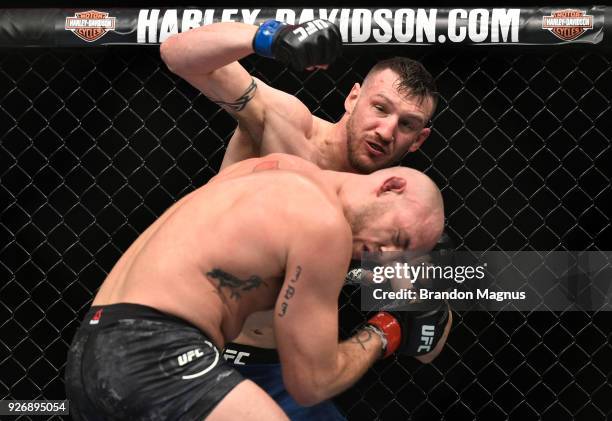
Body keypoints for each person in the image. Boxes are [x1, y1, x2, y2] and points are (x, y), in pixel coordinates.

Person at [160, 19, 445, 419]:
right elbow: (177, 53)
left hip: (286, 372)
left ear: (418, 140)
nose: (385, 130)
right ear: (353, 98)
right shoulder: (287, 127)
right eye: (380, 108)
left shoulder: (397, 216)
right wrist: (268, 36)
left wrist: (410, 309)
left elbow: (427, 346)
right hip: (203, 351)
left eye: (407, 125)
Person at [65, 153, 449, 420]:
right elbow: (312, 384)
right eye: (397, 236)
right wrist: (385, 332)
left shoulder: (266, 170)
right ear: (390, 186)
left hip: (89, 351)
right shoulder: (324, 225)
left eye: (400, 253)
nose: (385, 253)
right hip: (155, 351)